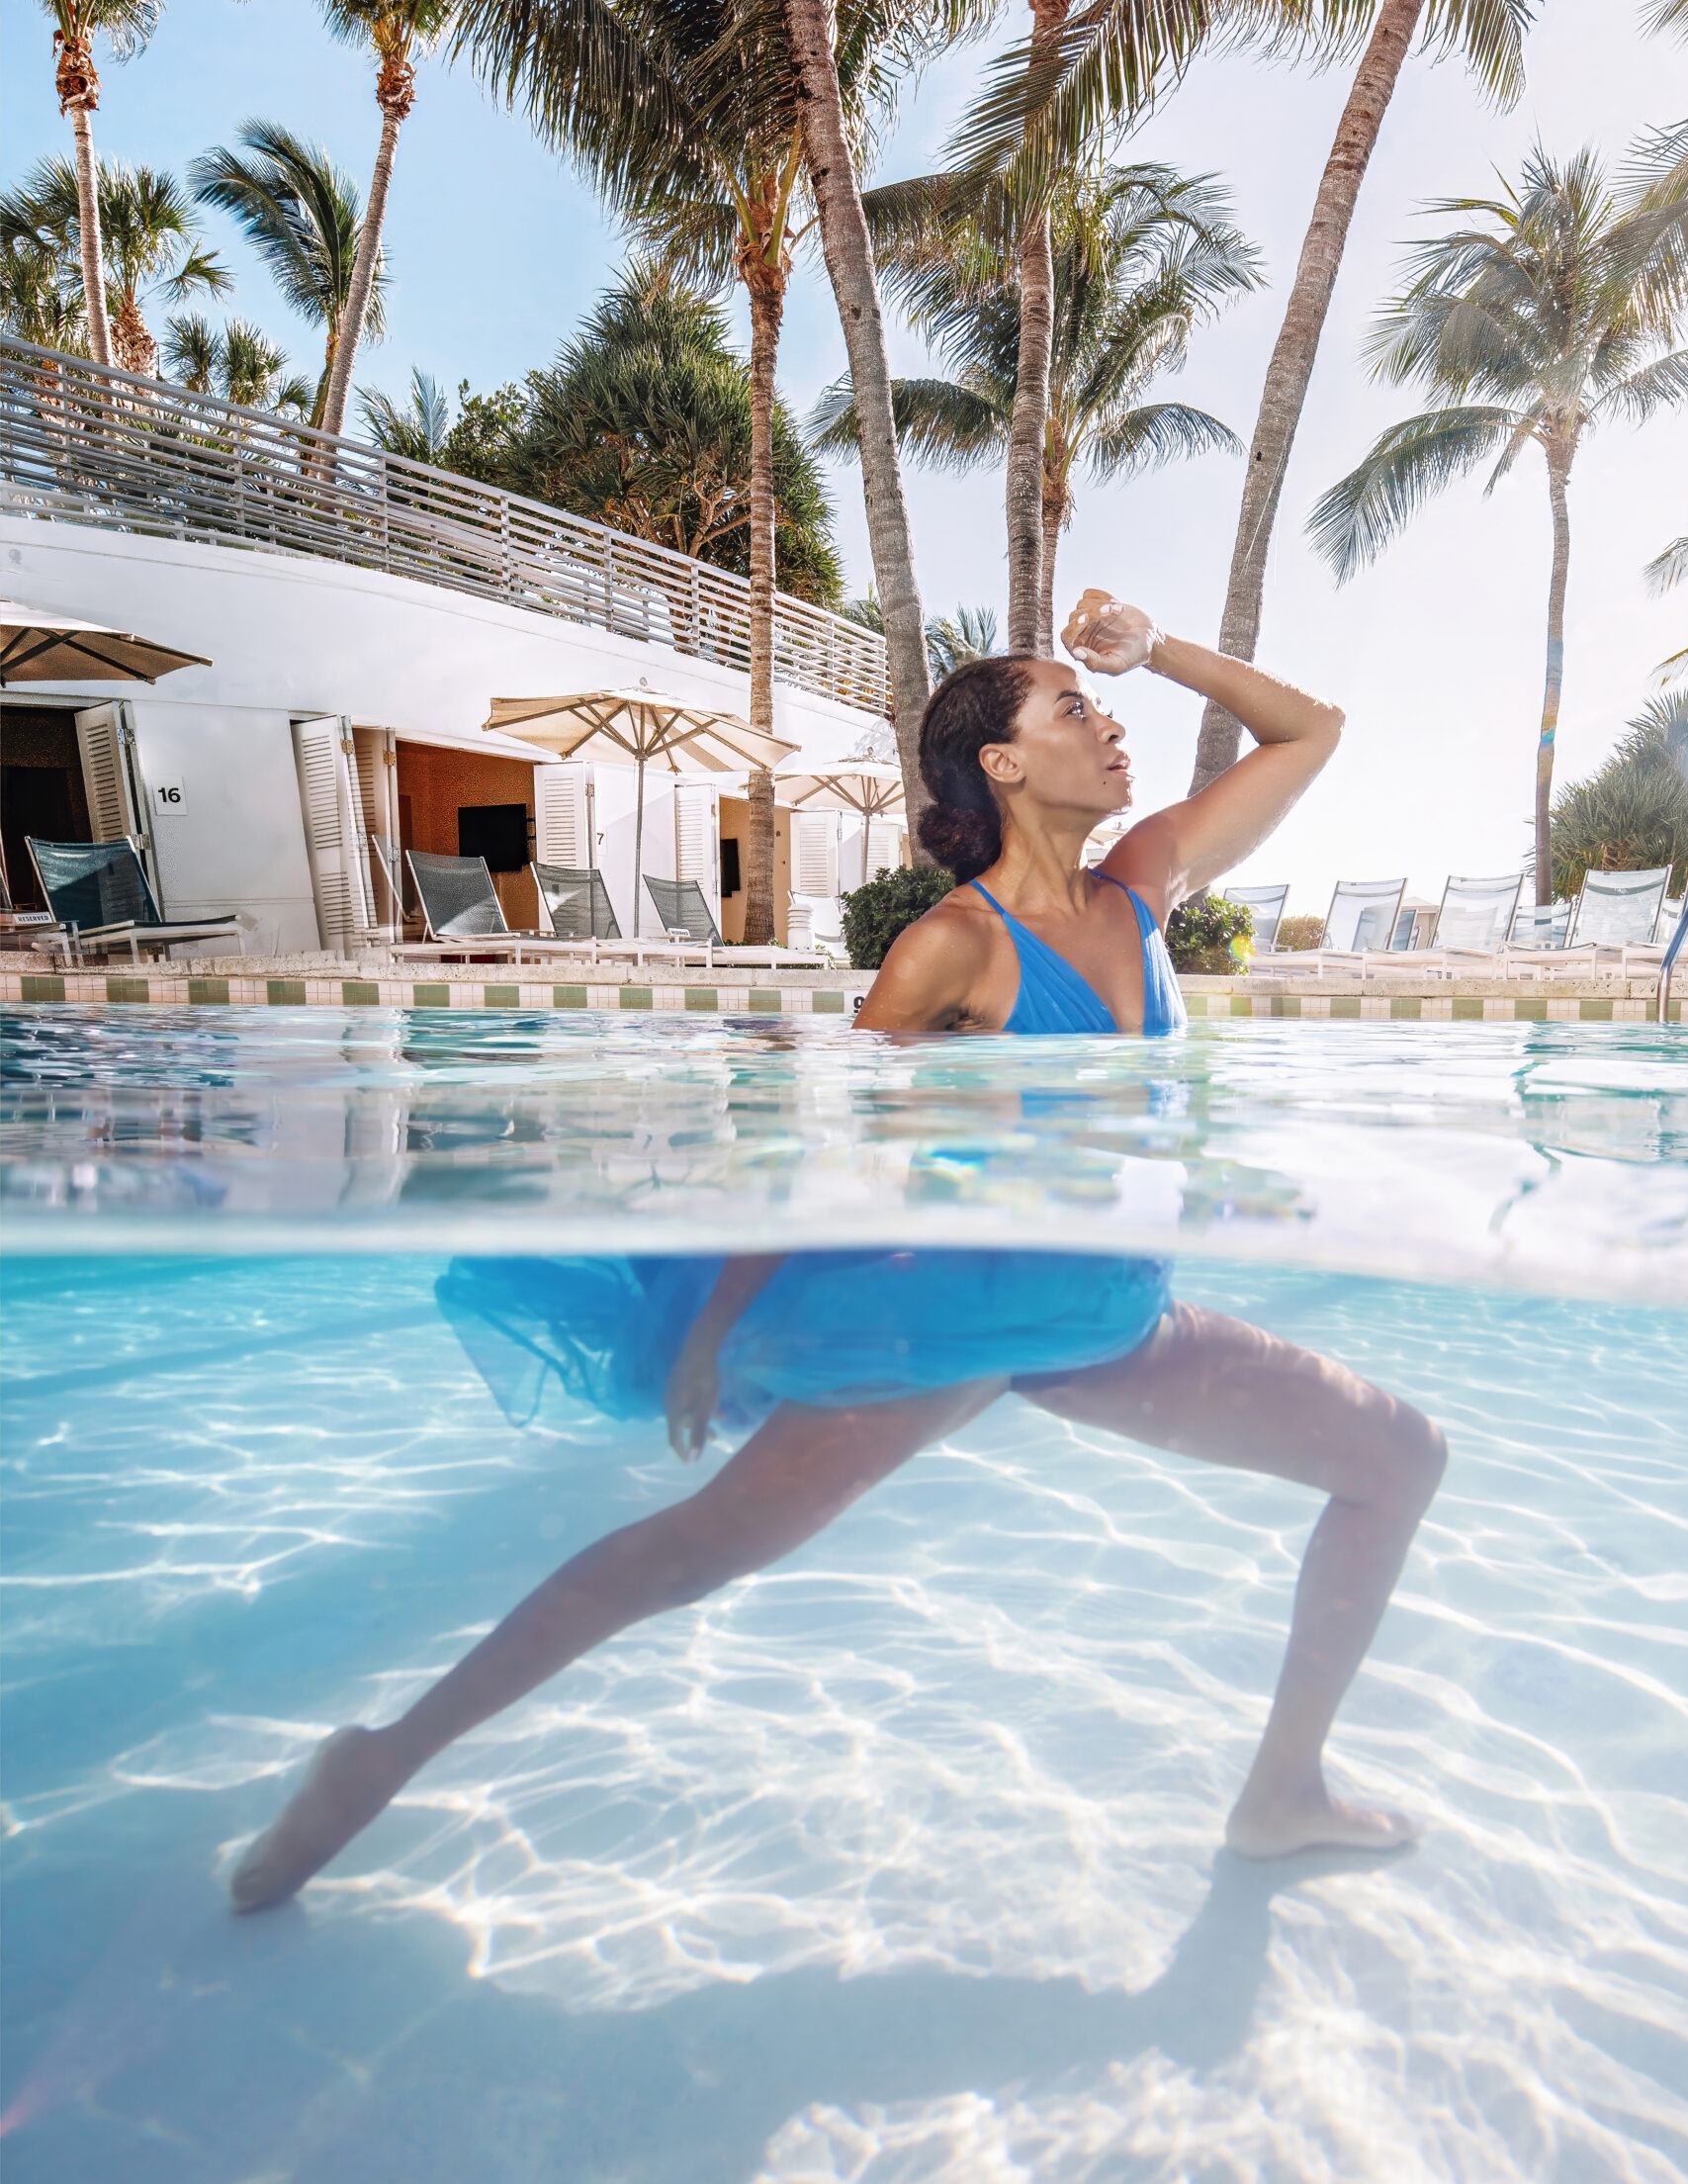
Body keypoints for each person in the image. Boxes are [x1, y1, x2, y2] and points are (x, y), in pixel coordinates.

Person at [229, 592, 1446, 1913]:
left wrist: (1152, 650)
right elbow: (835, 1144)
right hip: (950, 1323)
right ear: (1003, 763)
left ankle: (1281, 1795)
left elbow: (1309, 730)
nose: (1111, 727)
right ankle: (382, 1758)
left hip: (1111, 1317)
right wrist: (709, 1330)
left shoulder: (1146, 883)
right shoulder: (949, 951)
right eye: (1076, 709)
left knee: (1398, 1458)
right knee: (689, 1554)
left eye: (1106, 705)